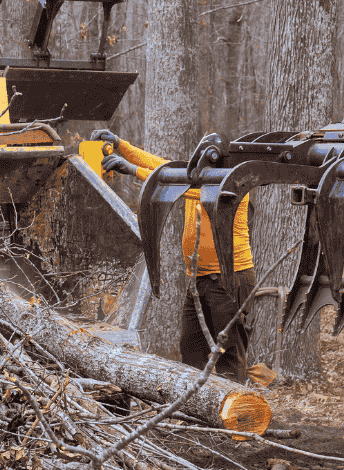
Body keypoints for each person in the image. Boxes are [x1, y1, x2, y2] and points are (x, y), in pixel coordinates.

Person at [91, 129, 256, 383]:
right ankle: (195, 403)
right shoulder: (196, 177)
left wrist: (133, 171)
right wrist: (121, 145)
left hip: (229, 281)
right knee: (191, 352)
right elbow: (160, 167)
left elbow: (182, 187)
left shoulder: (234, 184)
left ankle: (237, 404)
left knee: (230, 358)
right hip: (198, 282)